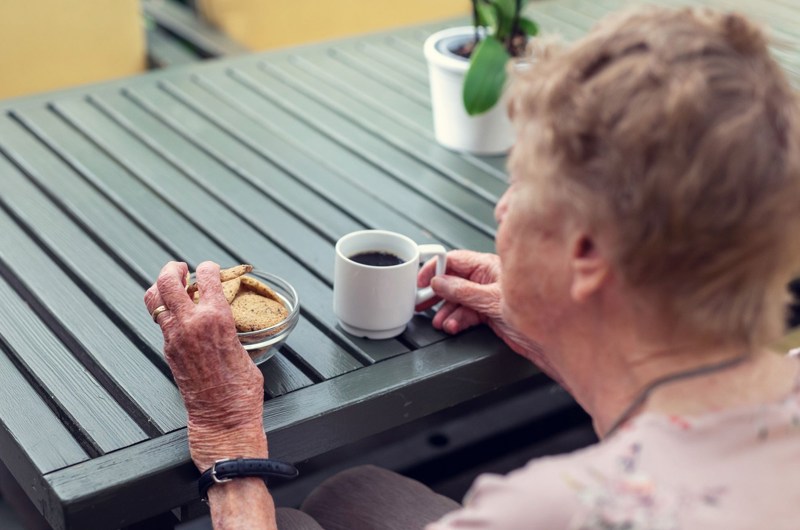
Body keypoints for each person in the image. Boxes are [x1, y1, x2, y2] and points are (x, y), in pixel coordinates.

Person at [144, 6, 800, 529]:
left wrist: (229, 443)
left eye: (523, 183)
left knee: (282, 517)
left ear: (588, 255)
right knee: (356, 494)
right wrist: (559, 325)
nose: (502, 205)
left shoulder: (550, 510)